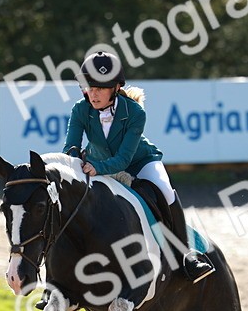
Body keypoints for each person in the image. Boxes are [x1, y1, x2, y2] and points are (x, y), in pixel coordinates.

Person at [62, 50, 215, 283]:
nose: (93, 95)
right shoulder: (80, 109)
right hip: (98, 162)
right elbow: (71, 145)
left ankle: (186, 255)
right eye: (89, 88)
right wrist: (75, 159)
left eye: (99, 88)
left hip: (139, 162)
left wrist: (96, 168)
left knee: (165, 191)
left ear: (115, 87)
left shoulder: (134, 112)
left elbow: (124, 160)